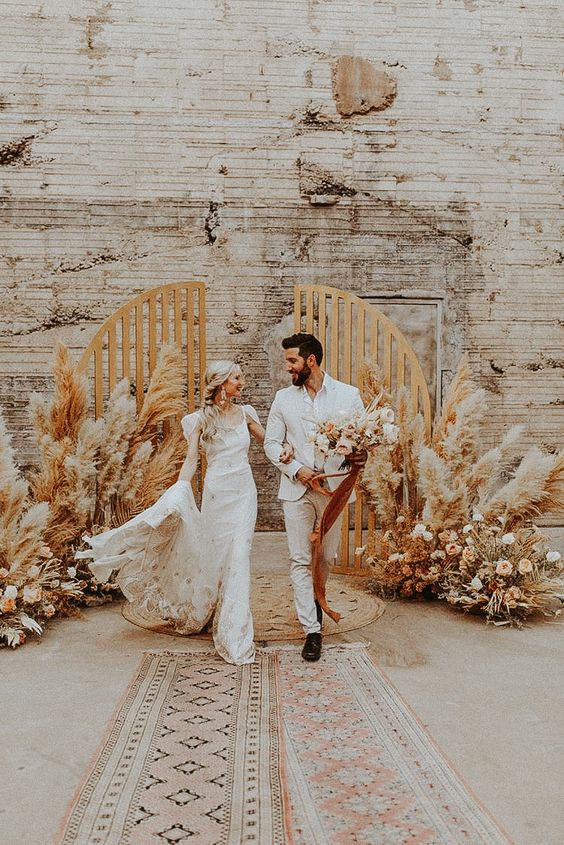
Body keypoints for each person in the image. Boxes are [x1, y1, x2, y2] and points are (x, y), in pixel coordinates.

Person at [77, 360, 291, 666]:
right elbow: (192, 460)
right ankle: (204, 611)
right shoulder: (198, 420)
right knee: (214, 558)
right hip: (217, 496)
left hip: (244, 494)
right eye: (236, 378)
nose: (242, 382)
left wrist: (287, 452)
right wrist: (180, 488)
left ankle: (235, 635)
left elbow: (269, 444)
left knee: (239, 557)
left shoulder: (247, 414)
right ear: (221, 383)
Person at [264, 333, 364, 662]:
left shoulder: (348, 395)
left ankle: (317, 598)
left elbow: (363, 442)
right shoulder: (283, 399)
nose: (288, 368)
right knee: (299, 559)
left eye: (292, 361)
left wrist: (360, 455)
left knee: (325, 558)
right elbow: (271, 443)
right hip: (297, 490)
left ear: (311, 360)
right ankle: (312, 629)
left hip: (333, 491)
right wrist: (296, 469)